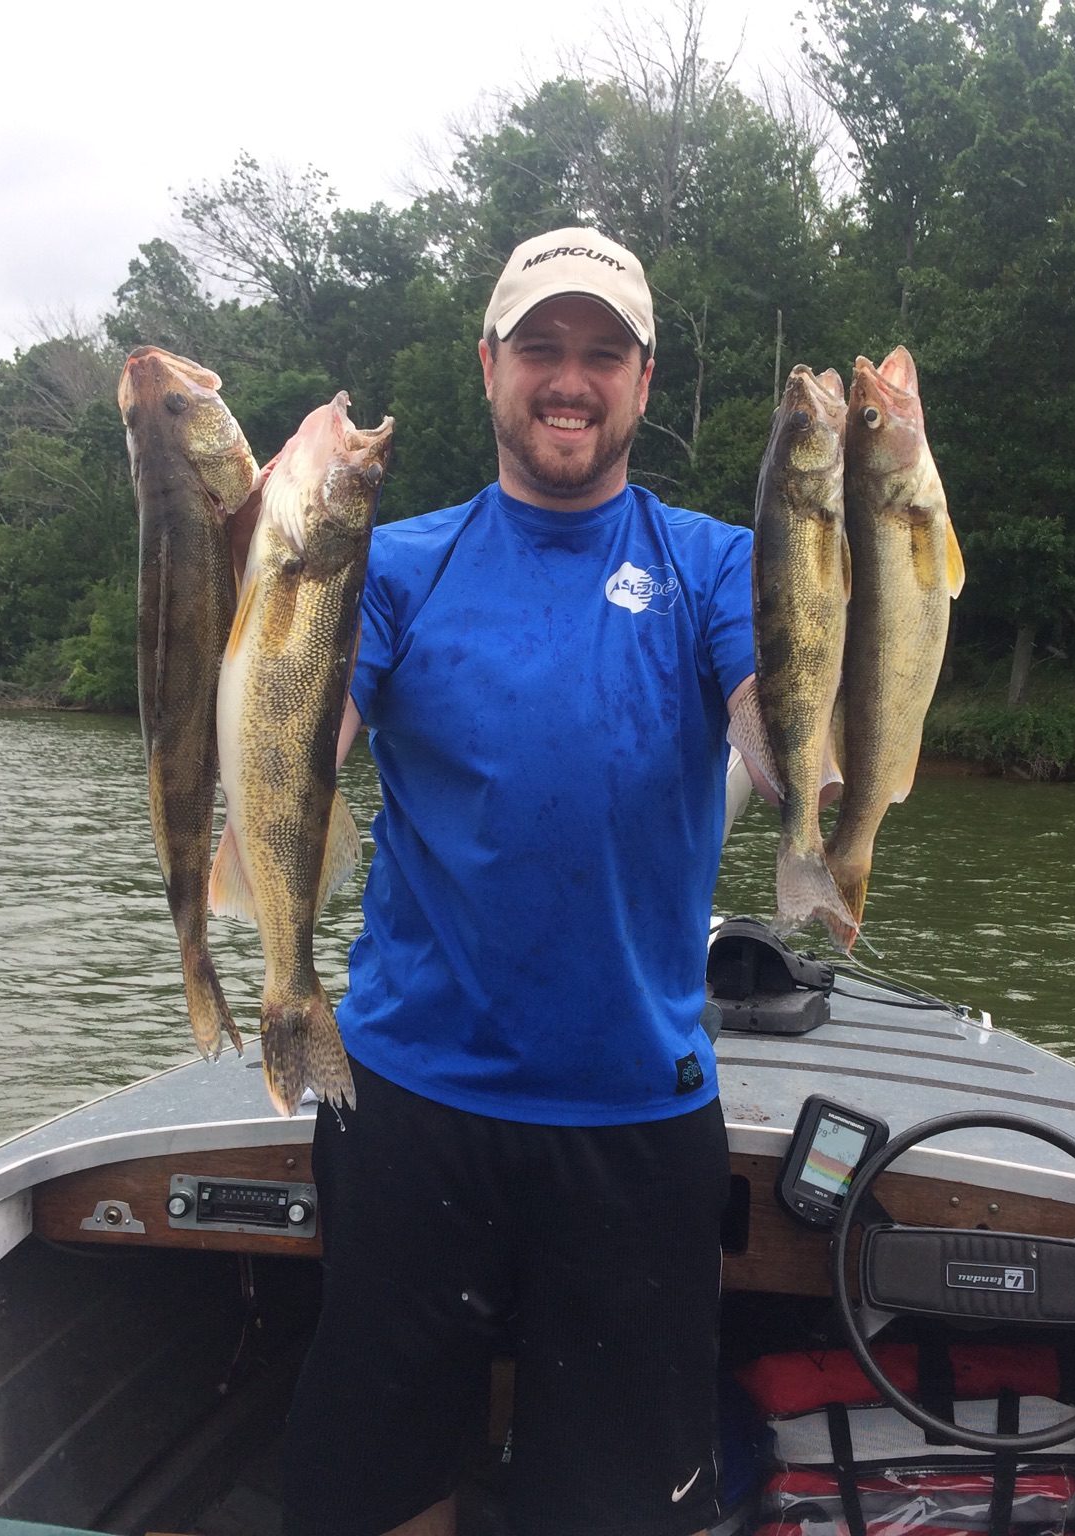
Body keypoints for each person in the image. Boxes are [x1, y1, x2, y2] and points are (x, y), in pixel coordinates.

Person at [279, 227, 760, 1536]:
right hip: (400, 1097)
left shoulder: (716, 566)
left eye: (602, 353)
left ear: (645, 382)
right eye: (542, 347)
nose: (570, 377)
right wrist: (263, 556)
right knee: (382, 1486)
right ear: (488, 364)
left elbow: (787, 742)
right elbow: (294, 748)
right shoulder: (389, 564)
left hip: (636, 1121)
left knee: (616, 1510)